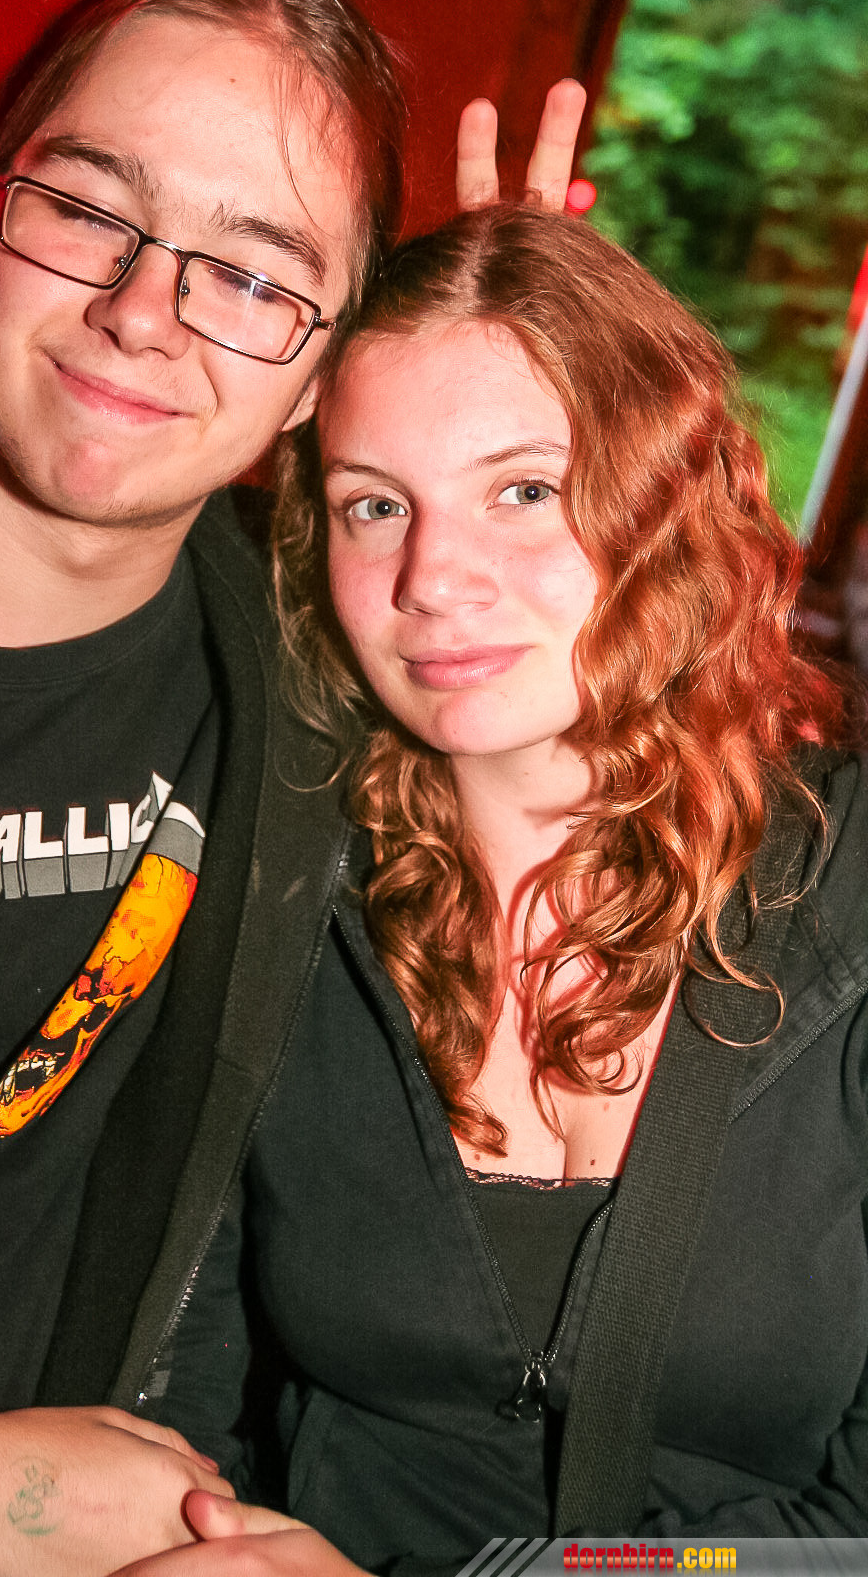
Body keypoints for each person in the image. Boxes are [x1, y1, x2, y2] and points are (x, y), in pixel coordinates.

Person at [0, 0, 583, 1576]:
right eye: (86, 207)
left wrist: (526, 394)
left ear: (325, 373)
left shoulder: (309, 688)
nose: (138, 314)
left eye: (253, 277)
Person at [125, 202, 868, 1576]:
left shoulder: (850, 900)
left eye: (523, 489)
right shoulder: (284, 889)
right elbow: (181, 1386)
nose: (432, 577)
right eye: (375, 504)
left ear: (661, 496)